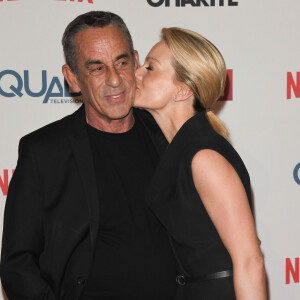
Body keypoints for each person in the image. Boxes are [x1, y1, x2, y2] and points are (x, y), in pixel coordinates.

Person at [0, 11, 178, 300]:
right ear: (72, 78)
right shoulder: (43, 152)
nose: (114, 80)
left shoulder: (169, 136)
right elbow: (17, 265)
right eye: (96, 68)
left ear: (135, 62)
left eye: (121, 62)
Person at [135, 27, 267, 299]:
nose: (136, 73)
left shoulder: (204, 157)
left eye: (150, 67)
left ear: (182, 89)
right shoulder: (181, 149)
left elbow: (249, 261)